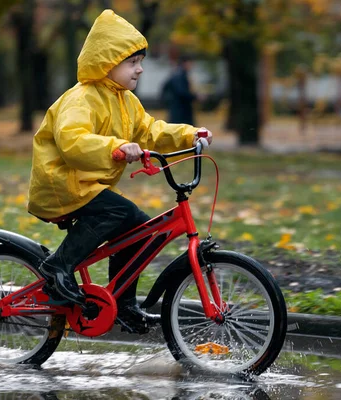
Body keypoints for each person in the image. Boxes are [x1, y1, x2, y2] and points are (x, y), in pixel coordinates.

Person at [27, 10, 213, 334]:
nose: (140, 68)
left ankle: (124, 305)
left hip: (87, 184)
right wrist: (115, 147)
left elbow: (150, 130)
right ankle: (58, 267)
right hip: (62, 182)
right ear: (106, 63)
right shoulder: (81, 98)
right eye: (132, 62)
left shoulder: (127, 102)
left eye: (140, 60)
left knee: (139, 229)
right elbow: (73, 141)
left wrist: (188, 134)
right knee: (118, 211)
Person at [161, 55, 198, 125]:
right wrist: (195, 97)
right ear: (185, 63)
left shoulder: (177, 73)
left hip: (178, 107)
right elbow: (181, 92)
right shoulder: (180, 75)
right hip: (180, 109)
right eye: (191, 63)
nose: (192, 66)